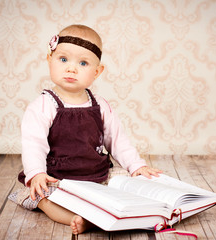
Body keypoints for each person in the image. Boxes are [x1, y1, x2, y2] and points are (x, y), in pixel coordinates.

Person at [9, 24, 162, 235]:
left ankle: (119, 212)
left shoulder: (100, 105)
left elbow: (117, 140)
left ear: (97, 72)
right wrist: (37, 173)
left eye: (83, 63)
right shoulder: (43, 105)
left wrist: (136, 166)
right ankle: (79, 219)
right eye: (63, 60)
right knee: (43, 197)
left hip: (97, 173)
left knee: (126, 183)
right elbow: (33, 144)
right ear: (49, 60)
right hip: (58, 176)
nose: (71, 69)